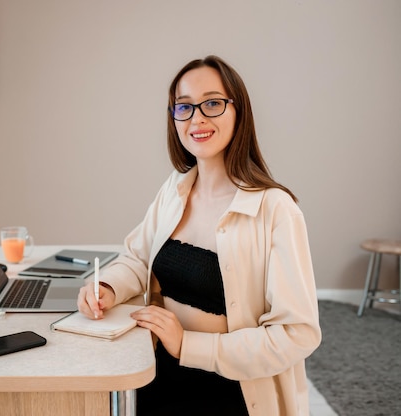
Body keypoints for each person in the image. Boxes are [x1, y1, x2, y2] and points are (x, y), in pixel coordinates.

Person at [77, 55, 321, 415]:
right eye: (184, 107)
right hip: (156, 369)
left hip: (230, 389)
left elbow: (296, 334)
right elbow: (138, 257)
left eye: (212, 103)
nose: (197, 118)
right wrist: (108, 287)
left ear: (238, 111)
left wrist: (188, 345)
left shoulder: (276, 210)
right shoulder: (175, 188)